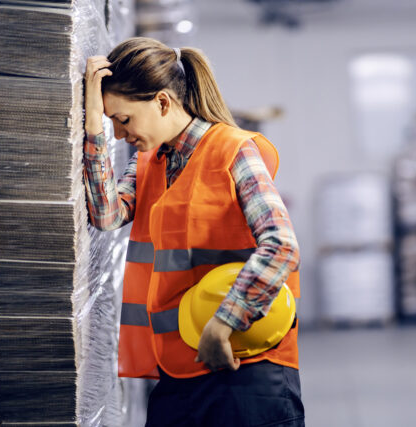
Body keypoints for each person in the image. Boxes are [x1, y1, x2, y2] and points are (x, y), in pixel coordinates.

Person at [83, 37, 304, 426]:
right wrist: (92, 124)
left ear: (163, 102)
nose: (119, 135)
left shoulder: (234, 152)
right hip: (179, 370)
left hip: (244, 366)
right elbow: (106, 214)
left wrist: (223, 323)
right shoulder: (150, 163)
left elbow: (281, 246)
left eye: (123, 120)